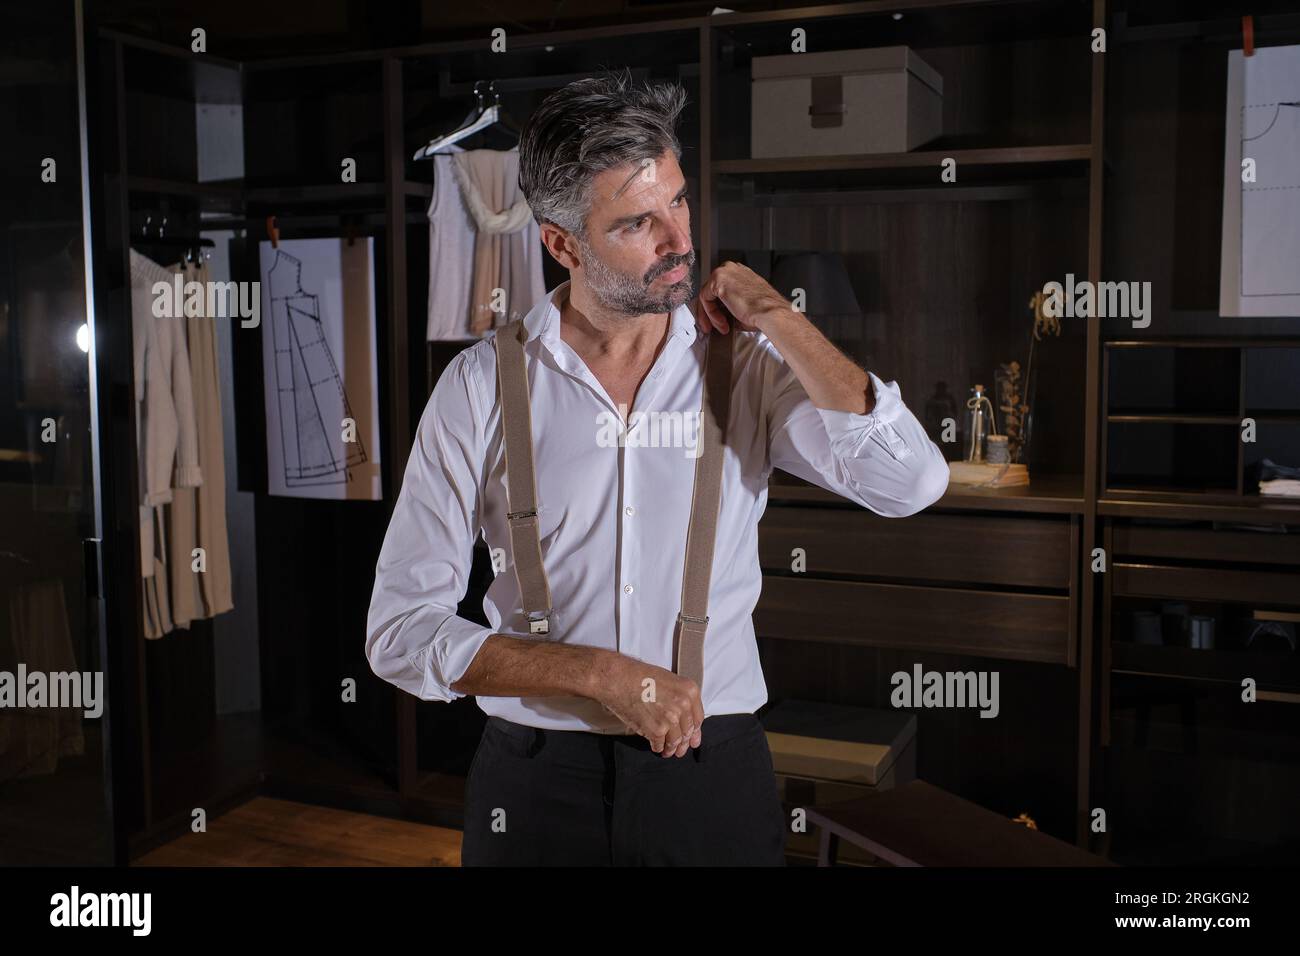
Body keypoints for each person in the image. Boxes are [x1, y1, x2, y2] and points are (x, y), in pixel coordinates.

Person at [365, 69, 949, 866]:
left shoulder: (750, 366)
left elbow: (910, 483)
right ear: (562, 243)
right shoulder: (478, 387)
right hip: (535, 783)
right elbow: (398, 633)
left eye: (677, 200)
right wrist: (601, 675)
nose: (679, 242)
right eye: (639, 222)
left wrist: (779, 315)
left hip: (714, 770)